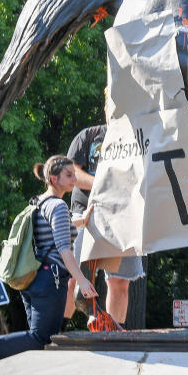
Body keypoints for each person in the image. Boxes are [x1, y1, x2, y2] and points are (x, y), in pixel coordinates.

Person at [0, 155, 98, 370]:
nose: (74, 179)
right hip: (51, 280)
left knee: (39, 338)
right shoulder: (59, 206)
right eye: (68, 175)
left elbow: (52, 233)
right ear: (53, 178)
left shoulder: (39, 202)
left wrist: (82, 221)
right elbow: (63, 248)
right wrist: (82, 281)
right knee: (41, 338)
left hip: (33, 278)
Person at [66, 124, 145, 326]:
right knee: (74, 278)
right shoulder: (88, 135)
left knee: (120, 281)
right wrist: (105, 185)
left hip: (123, 215)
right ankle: (58, 333)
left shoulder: (137, 134)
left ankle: (114, 336)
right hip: (86, 213)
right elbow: (72, 173)